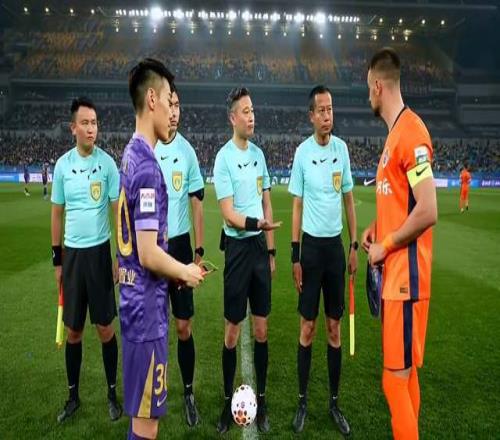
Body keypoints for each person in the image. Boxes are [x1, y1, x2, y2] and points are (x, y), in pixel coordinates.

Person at [118, 58, 204, 440]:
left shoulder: (130, 154)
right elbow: (149, 253)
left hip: (133, 302)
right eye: (169, 101)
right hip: (146, 311)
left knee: (140, 415)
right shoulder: (149, 167)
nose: (173, 111)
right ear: (152, 99)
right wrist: (186, 271)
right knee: (147, 424)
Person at [363, 47, 437, 440]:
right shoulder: (395, 136)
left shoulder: (412, 133)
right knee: (405, 377)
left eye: (368, 89)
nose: (368, 97)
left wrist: (385, 244)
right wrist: (377, 227)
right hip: (396, 279)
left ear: (378, 86)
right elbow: (404, 201)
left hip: (406, 280)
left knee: (394, 381)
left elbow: (427, 209)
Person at [288, 85, 358, 435]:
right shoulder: (302, 153)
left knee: (334, 328)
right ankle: (302, 401)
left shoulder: (342, 149)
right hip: (312, 251)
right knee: (308, 327)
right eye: (322, 110)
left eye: (331, 109)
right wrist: (295, 254)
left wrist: (354, 245)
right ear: (311, 116)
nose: (328, 115)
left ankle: (334, 403)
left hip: (335, 250)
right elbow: (297, 206)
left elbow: (349, 200)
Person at [213, 87, 281, 434]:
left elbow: (266, 201)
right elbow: (228, 213)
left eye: (253, 110)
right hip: (238, 251)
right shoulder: (223, 158)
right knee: (232, 331)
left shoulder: (259, 155)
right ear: (232, 118)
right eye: (245, 111)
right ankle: (227, 402)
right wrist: (257, 224)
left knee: (262, 329)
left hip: (258, 250)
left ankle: (263, 402)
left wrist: (271, 250)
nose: (252, 116)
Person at [51, 97, 122, 423]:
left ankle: (112, 393)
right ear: (73, 128)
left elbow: (118, 214)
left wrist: (120, 256)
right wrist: (57, 261)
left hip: (99, 255)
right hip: (73, 258)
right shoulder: (62, 166)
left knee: (105, 329)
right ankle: (73, 397)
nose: (91, 128)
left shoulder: (107, 164)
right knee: (74, 331)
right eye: (85, 123)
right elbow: (57, 214)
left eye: (94, 123)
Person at [154, 85, 205, 426]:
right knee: (155, 326)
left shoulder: (187, 151)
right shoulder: (147, 148)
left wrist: (198, 252)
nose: (173, 111)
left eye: (177, 105)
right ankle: (153, 390)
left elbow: (197, 204)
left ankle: (188, 393)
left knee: (183, 326)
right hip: (152, 249)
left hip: (182, 246)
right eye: (168, 104)